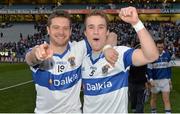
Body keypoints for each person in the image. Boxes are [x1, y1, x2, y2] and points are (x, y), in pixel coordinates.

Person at [25, 10, 117, 113]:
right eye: (56, 28)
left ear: (70, 31)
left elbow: (111, 35)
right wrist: (37, 55)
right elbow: (30, 58)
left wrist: (107, 47)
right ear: (48, 30)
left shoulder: (79, 48)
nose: (61, 32)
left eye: (65, 28)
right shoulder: (41, 51)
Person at [81, 6, 159, 113]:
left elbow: (152, 56)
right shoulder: (82, 60)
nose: (96, 32)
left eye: (101, 27)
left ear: (107, 32)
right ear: (85, 33)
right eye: (91, 27)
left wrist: (136, 23)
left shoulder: (119, 54)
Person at [147, 39, 172, 114]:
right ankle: (153, 112)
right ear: (155, 47)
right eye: (158, 47)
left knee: (166, 100)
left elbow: (169, 68)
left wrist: (169, 79)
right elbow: (149, 70)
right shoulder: (152, 56)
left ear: (163, 46)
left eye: (161, 47)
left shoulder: (167, 55)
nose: (160, 49)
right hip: (155, 81)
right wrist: (151, 80)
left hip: (165, 80)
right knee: (154, 99)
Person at [128, 44, 149, 113]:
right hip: (132, 83)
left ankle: (138, 112)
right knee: (133, 101)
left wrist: (146, 82)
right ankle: (135, 110)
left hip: (141, 84)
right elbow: (128, 71)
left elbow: (145, 72)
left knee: (140, 102)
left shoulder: (145, 60)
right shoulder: (130, 59)